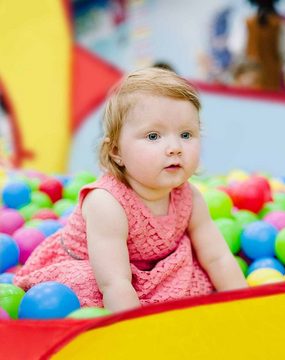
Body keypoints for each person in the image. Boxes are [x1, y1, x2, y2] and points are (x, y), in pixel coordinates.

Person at [14, 68, 248, 313]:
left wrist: (245, 307)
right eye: (154, 136)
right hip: (102, 272)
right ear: (116, 151)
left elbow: (217, 257)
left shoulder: (189, 197)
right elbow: (114, 283)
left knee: (198, 271)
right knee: (88, 285)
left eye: (186, 134)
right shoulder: (107, 203)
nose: (174, 147)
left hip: (154, 271)